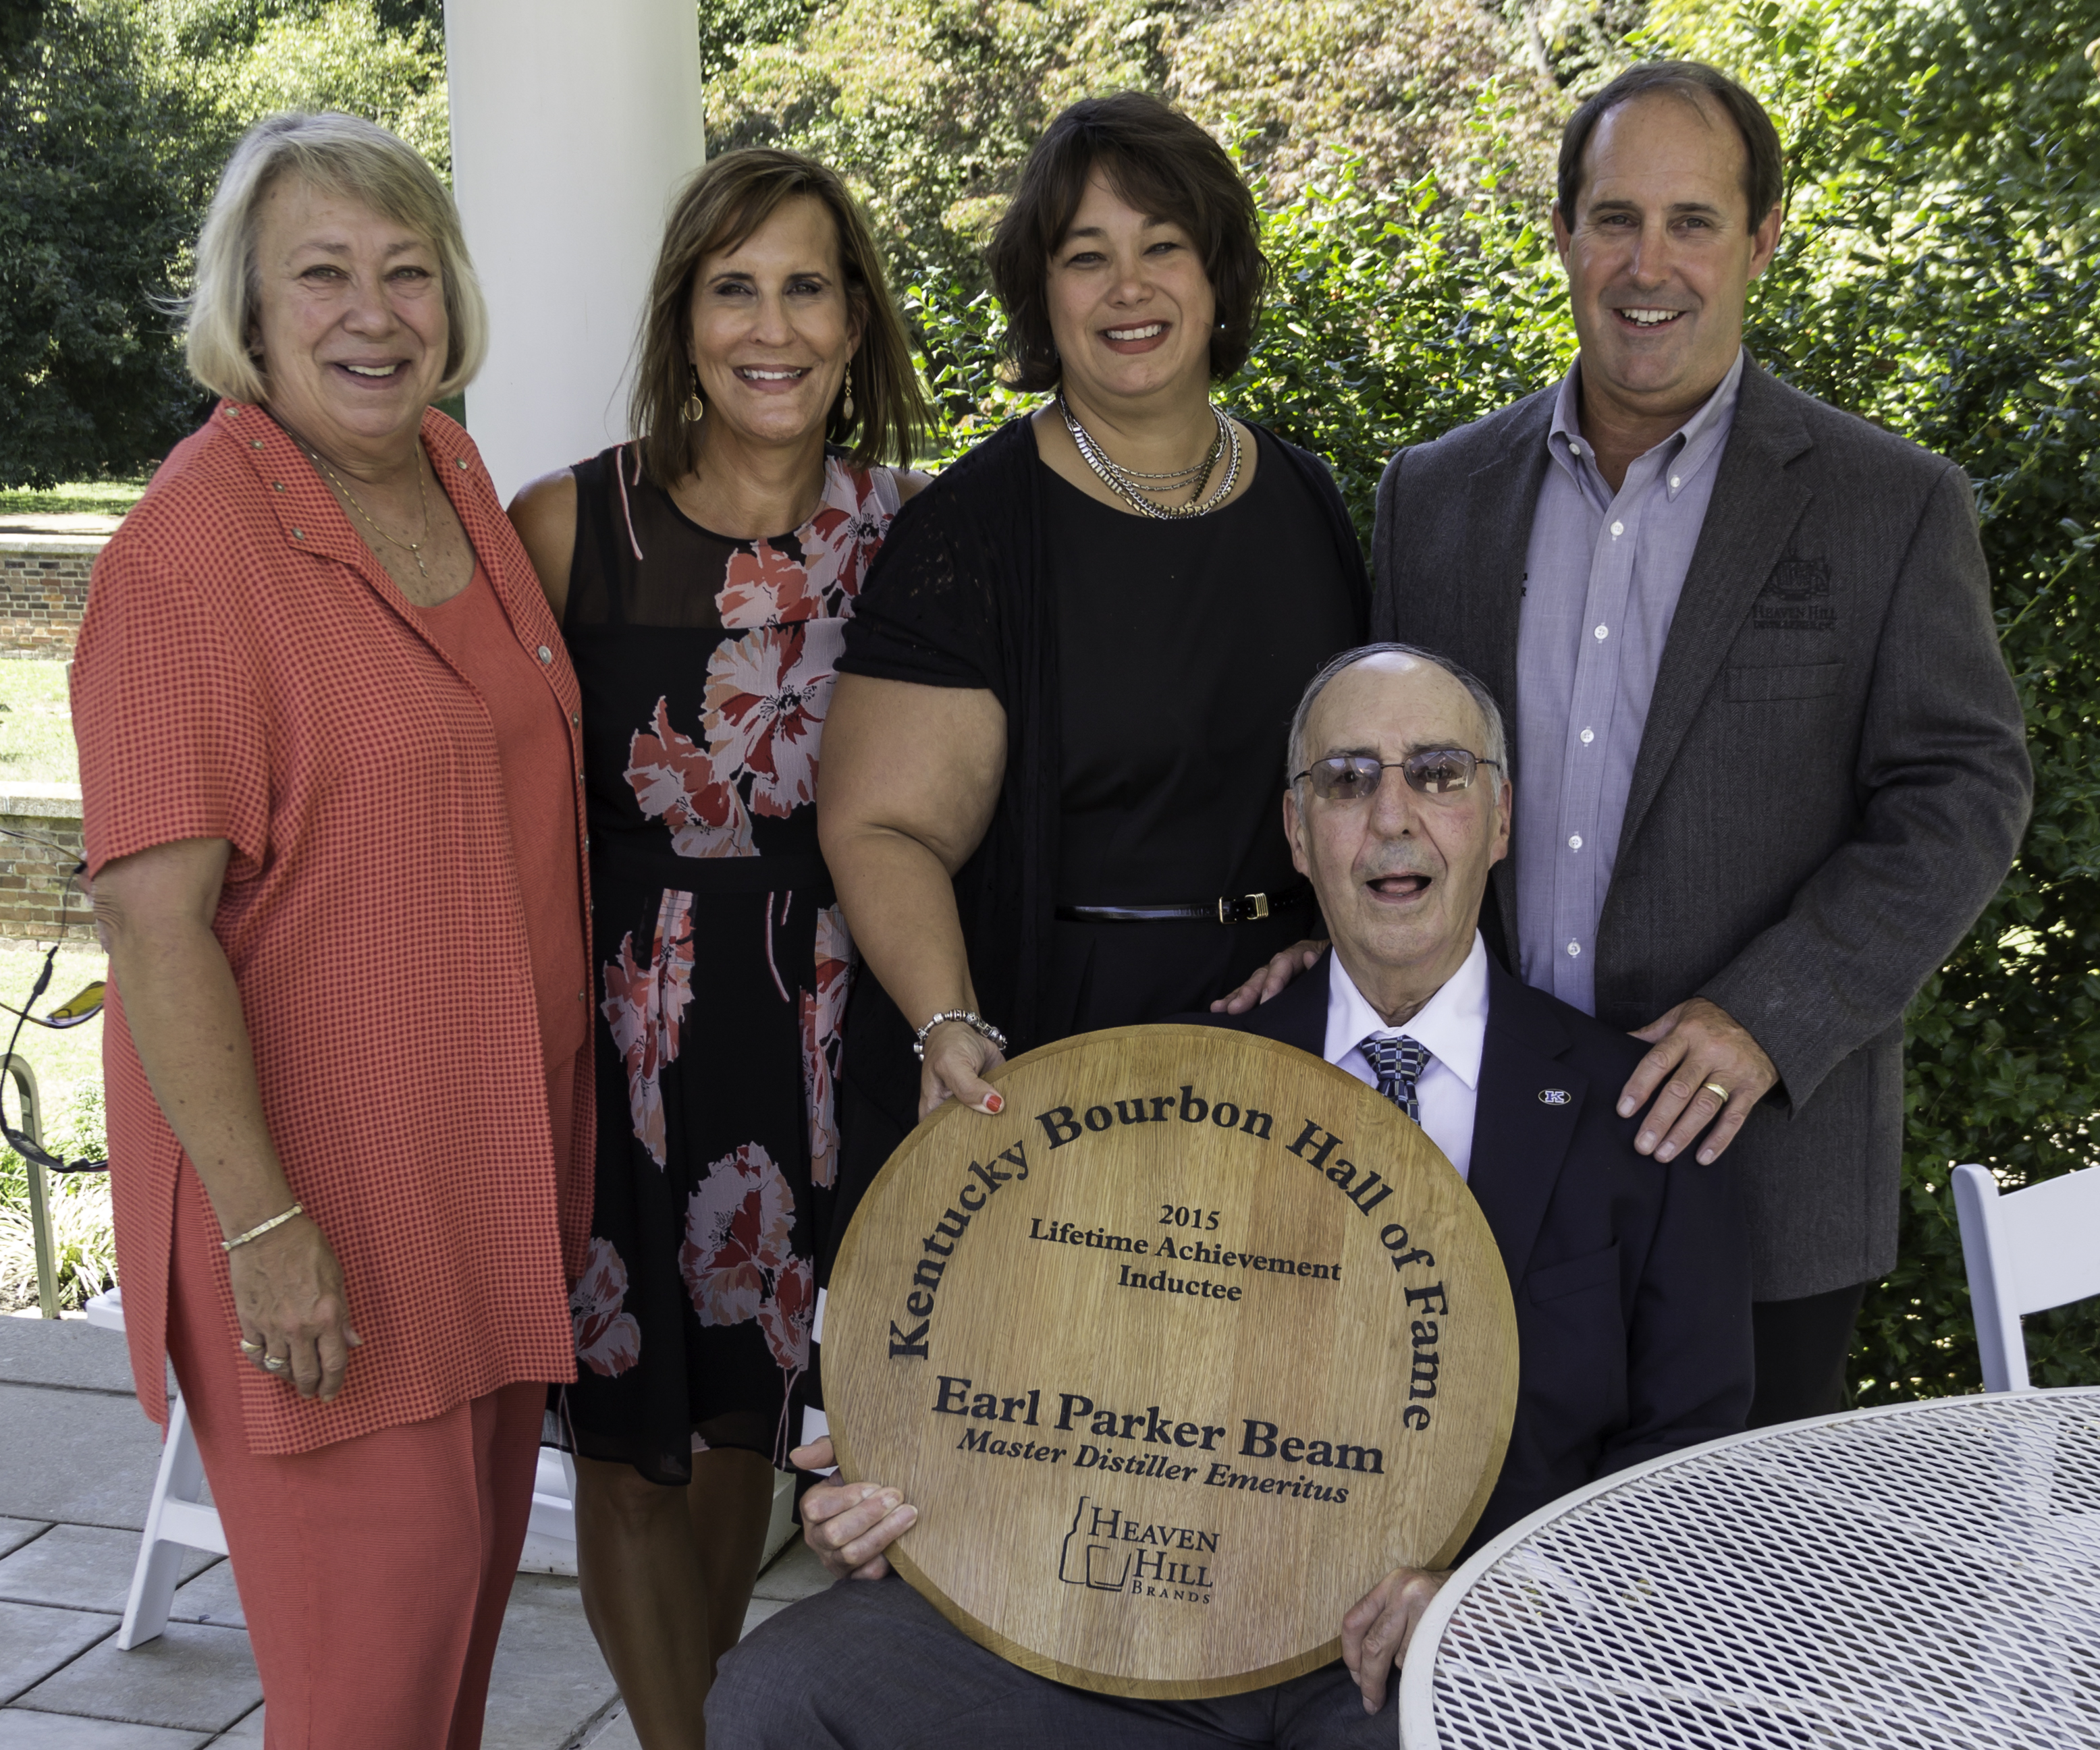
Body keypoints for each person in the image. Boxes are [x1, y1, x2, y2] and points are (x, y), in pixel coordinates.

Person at [705, 645, 1751, 1747]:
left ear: (1498, 817)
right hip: (1133, 1639)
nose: (1393, 815)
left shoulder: (1640, 1118)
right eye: (1347, 780)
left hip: (1425, 1663)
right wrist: (901, 1497)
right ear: (1299, 834)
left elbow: (1691, 1463)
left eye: (1439, 774)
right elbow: (1041, 1370)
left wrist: (1503, 1599)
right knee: (783, 1691)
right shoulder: (1166, 1083)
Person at [1368, 61, 2031, 1423]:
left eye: (1690, 221)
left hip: (1752, 1165)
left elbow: (1960, 791)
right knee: (1473, 1592)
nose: (1645, 263)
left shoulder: (1885, 504)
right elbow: (1381, 790)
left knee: (1728, 1606)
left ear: (1760, 239)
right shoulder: (1433, 499)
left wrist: (1766, 1019)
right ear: (1558, 237)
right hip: (1476, 1162)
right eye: (1612, 218)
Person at [71, 113, 589, 1749]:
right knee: (367, 1679)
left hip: (489, 1167)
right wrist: (259, 1226)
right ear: (248, 302)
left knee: (452, 1631)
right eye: (322, 275)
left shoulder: (442, 468)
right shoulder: (189, 555)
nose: (374, 312)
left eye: (406, 271)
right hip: (318, 1201)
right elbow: (157, 926)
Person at [506, 149, 928, 1748]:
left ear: (853, 320)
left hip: (824, 1023)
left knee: (750, 1425)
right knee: (626, 1434)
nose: (770, 325)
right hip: (625, 1026)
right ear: (683, 320)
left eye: (804, 286)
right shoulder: (569, 526)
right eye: (731, 287)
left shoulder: (910, 534)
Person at [817, 92, 1366, 1262]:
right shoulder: (972, 535)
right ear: (1042, 295)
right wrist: (946, 1022)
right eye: (1087, 256)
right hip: (1054, 1048)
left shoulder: (1306, 502)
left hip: (1281, 1049)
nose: (1130, 288)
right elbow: (883, 826)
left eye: (1164, 245)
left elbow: (1363, 787)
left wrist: (1340, 939)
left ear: (1218, 274)